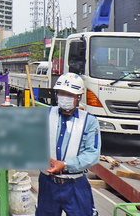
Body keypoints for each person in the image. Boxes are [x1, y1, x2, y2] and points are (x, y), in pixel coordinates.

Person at [36, 72, 101, 216]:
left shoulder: (89, 121)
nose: (64, 97)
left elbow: (92, 154)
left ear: (79, 98)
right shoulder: (45, 115)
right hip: (48, 183)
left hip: (75, 184)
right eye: (61, 93)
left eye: (70, 94)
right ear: (56, 95)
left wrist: (65, 165)